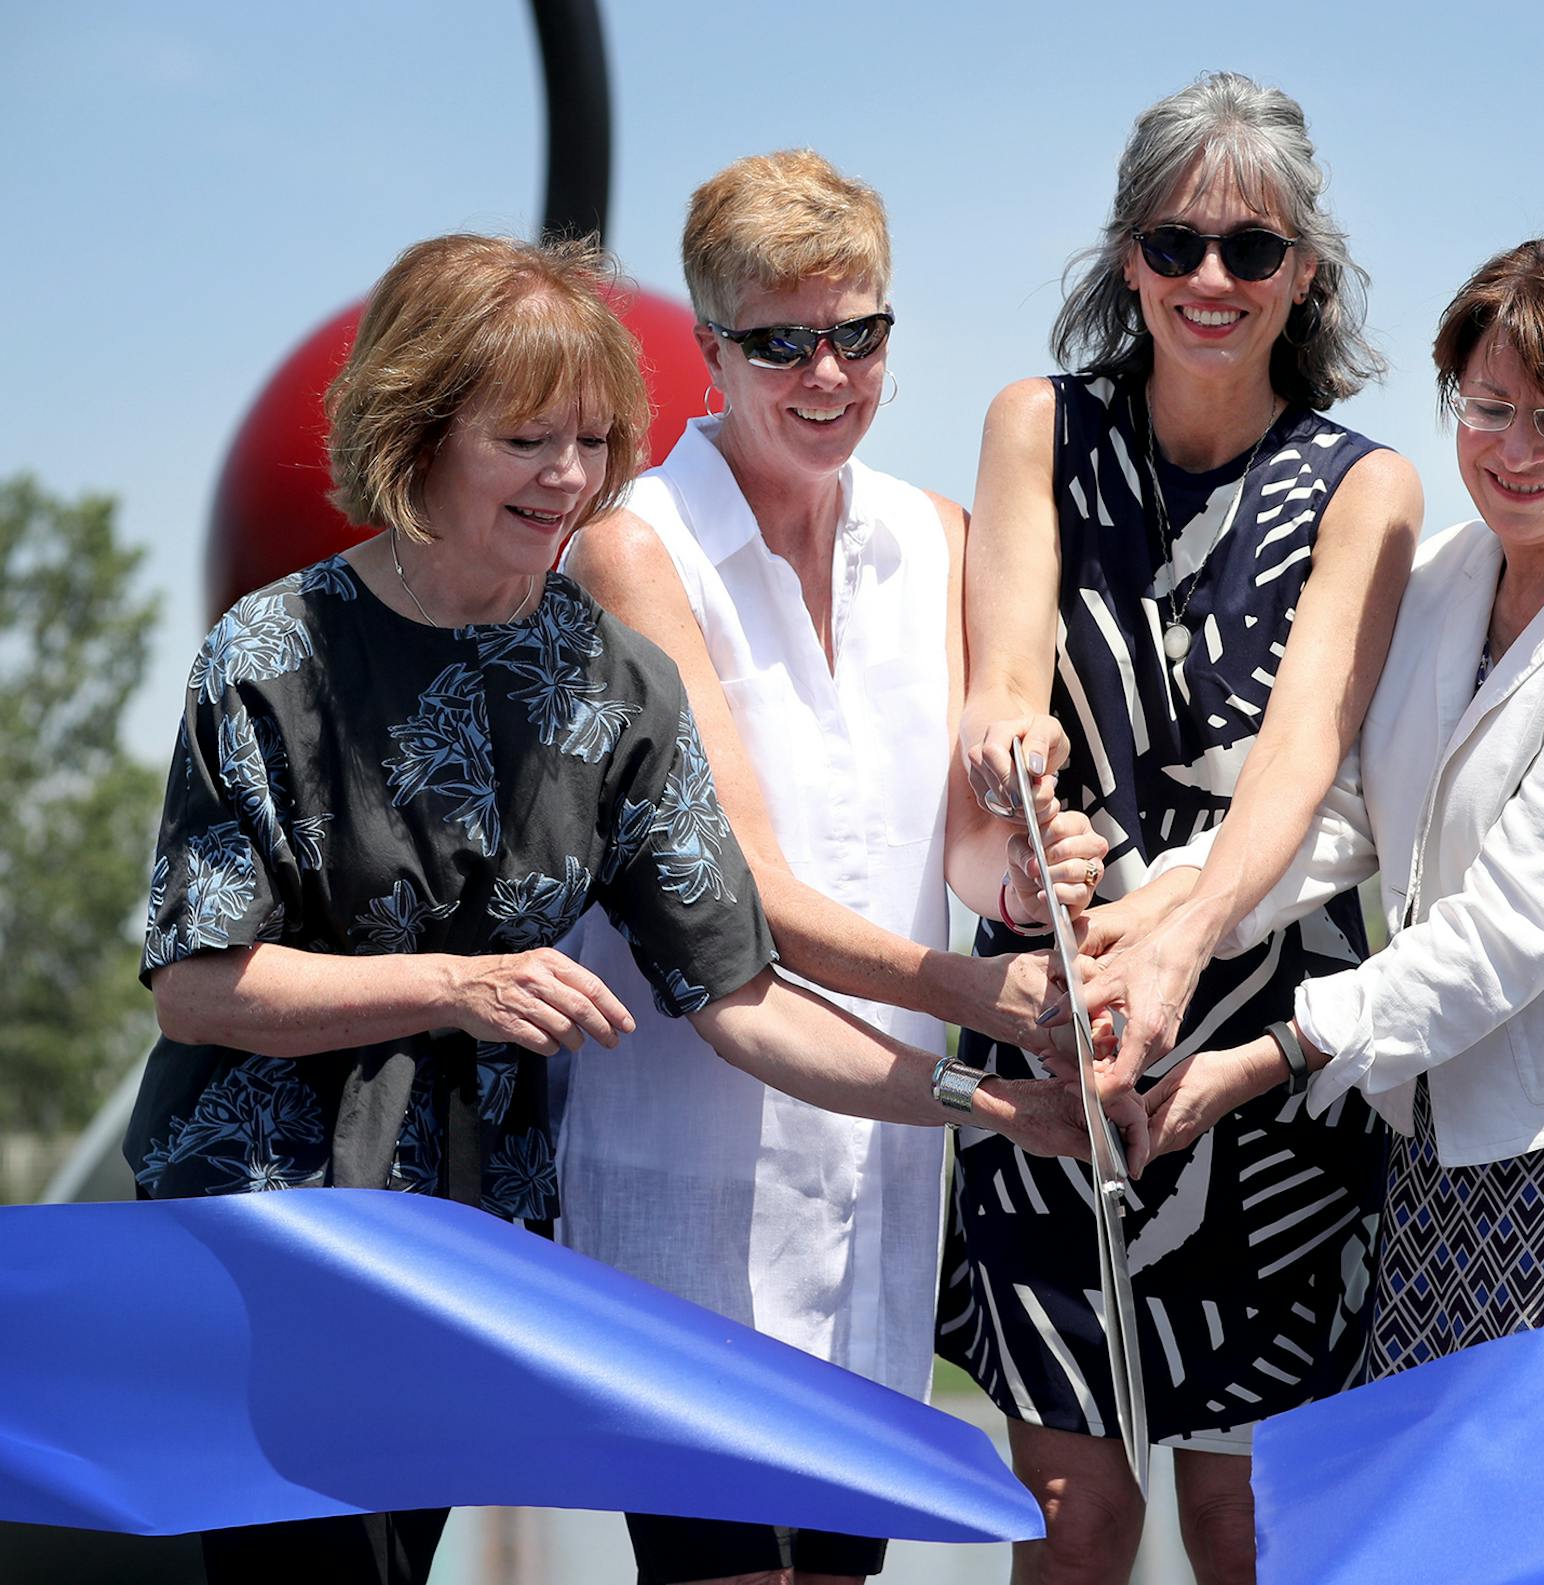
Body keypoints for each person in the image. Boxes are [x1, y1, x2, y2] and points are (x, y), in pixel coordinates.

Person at [128, 232, 1085, 1585]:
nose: (570, 477)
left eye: (591, 440)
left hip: (483, 1253)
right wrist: (454, 986)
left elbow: (740, 997)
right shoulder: (271, 653)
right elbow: (196, 986)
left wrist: (990, 1103)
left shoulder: (611, 678)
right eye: (527, 440)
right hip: (276, 1242)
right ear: (420, 432)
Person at [554, 150, 1105, 1585]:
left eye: (858, 334)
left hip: (879, 1174)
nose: (826, 374)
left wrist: (1038, 872)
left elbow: (967, 841)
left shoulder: (939, 539)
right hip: (685, 1175)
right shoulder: (631, 552)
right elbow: (737, 891)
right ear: (712, 345)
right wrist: (996, 998)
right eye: (782, 341)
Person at [1143, 233, 1544, 1377]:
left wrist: (1267, 1056)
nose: (1515, 451)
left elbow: (1509, 932)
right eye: (1488, 406)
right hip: (1454, 1141)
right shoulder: (1445, 572)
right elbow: (1345, 812)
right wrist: (1152, 917)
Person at [943, 73, 1421, 1585]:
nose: (1211, 279)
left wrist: (1186, 935)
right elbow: (1006, 674)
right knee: (1078, 1516)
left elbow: (1300, 768)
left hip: (1262, 1027)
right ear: (1126, 258)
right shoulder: (1035, 425)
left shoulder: (1369, 488)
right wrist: (1006, 750)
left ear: (1307, 275)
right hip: (1055, 1000)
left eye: (1252, 250)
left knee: (1247, 1519)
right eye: (1177, 242)